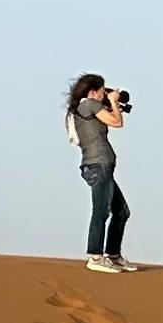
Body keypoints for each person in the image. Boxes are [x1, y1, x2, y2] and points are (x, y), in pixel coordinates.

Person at [65, 70, 134, 273]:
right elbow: (116, 122)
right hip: (98, 166)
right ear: (94, 92)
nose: (106, 93)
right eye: (103, 90)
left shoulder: (88, 107)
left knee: (121, 211)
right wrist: (113, 101)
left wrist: (114, 102)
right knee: (101, 210)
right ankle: (95, 257)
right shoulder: (88, 104)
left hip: (102, 167)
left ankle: (112, 255)